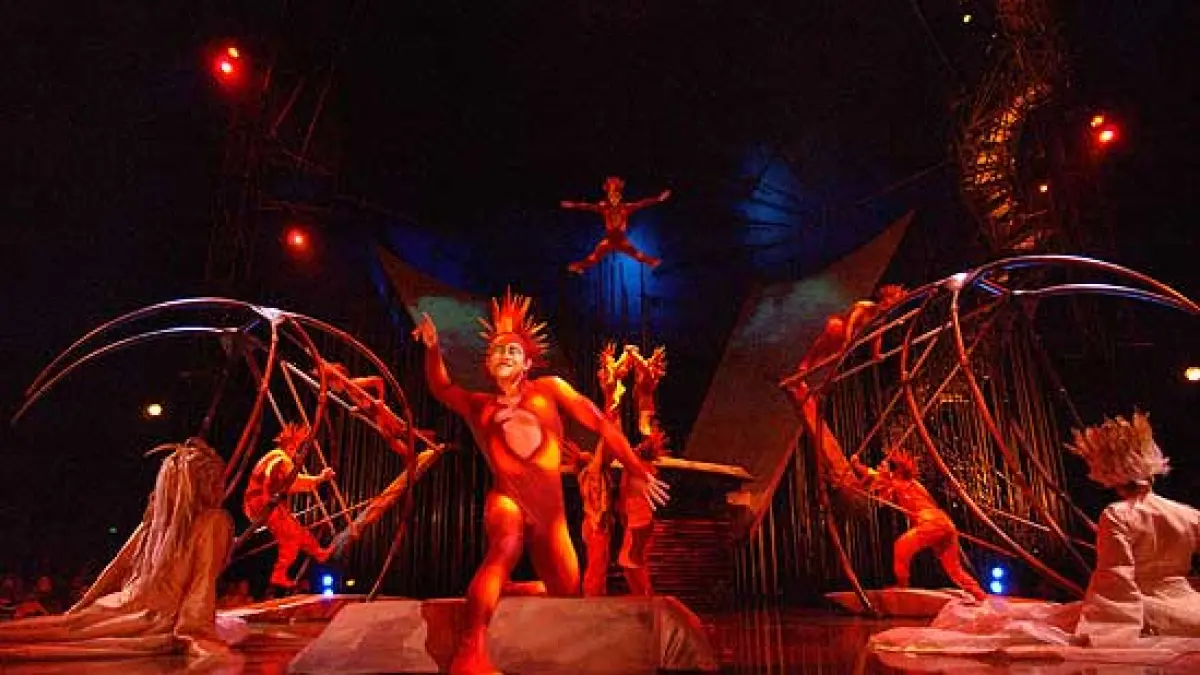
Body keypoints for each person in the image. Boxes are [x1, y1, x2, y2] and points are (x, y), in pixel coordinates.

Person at [411, 289, 669, 675]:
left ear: (528, 362)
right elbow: (442, 388)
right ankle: (471, 651)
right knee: (506, 543)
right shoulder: (481, 405)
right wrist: (433, 350)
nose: (504, 355)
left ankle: (505, 588)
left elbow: (600, 422)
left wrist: (636, 468)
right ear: (487, 363)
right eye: (497, 351)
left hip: (551, 517)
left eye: (512, 350)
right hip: (507, 500)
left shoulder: (549, 389)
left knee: (567, 590)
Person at [869, 411, 1200, 659]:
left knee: (1028, 627)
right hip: (1187, 610)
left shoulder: (1117, 515)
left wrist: (1108, 630)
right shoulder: (1188, 514)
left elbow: (1116, 579)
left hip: (1142, 611)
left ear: (1109, 473)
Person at [0, 438, 247, 661]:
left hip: (118, 605)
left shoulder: (154, 524)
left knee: (53, 631)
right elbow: (202, 586)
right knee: (237, 628)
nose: (221, 488)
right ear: (205, 483)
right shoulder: (214, 521)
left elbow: (115, 569)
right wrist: (195, 631)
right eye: (218, 481)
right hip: (156, 618)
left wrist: (80, 609)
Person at [851, 451, 988, 601]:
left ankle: (902, 584)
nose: (891, 472)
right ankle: (979, 594)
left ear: (899, 472)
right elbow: (878, 475)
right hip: (945, 523)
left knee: (901, 547)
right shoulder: (913, 485)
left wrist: (856, 464)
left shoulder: (901, 483)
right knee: (954, 569)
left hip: (931, 523)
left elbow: (874, 475)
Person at [242, 423, 336, 590]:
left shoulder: (272, 455)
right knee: (291, 537)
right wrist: (320, 478)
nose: (296, 452)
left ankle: (319, 552)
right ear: (291, 445)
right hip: (264, 504)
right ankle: (279, 573)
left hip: (259, 503)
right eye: (296, 447)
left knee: (296, 529)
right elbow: (295, 482)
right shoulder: (282, 459)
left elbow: (281, 480)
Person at [780, 284, 906, 388]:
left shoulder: (881, 318)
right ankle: (802, 371)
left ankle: (805, 380)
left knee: (830, 362)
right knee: (820, 350)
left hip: (849, 340)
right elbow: (851, 321)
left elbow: (877, 336)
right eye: (891, 301)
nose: (891, 305)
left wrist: (876, 354)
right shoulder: (865, 306)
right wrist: (848, 339)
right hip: (840, 329)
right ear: (885, 298)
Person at [561, 176, 670, 274]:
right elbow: (587, 206)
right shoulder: (604, 208)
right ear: (609, 197)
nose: (614, 199)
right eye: (611, 196)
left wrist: (658, 199)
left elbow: (641, 203)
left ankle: (652, 262)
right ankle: (578, 266)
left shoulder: (626, 207)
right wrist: (572, 205)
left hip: (621, 241)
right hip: (608, 240)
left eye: (616, 196)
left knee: (637, 254)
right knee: (594, 257)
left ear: (620, 196)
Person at [618, 425, 669, 596]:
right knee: (631, 562)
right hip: (639, 522)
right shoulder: (642, 468)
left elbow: (626, 490)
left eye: (641, 445)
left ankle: (645, 596)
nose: (638, 447)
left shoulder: (640, 469)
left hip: (639, 523)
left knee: (632, 561)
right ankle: (641, 595)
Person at [628, 345, 667, 438]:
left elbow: (643, 364)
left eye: (651, 359)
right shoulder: (645, 374)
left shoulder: (649, 375)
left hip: (646, 410)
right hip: (644, 409)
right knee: (645, 433)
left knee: (647, 434)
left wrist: (633, 353)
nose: (649, 359)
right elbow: (640, 365)